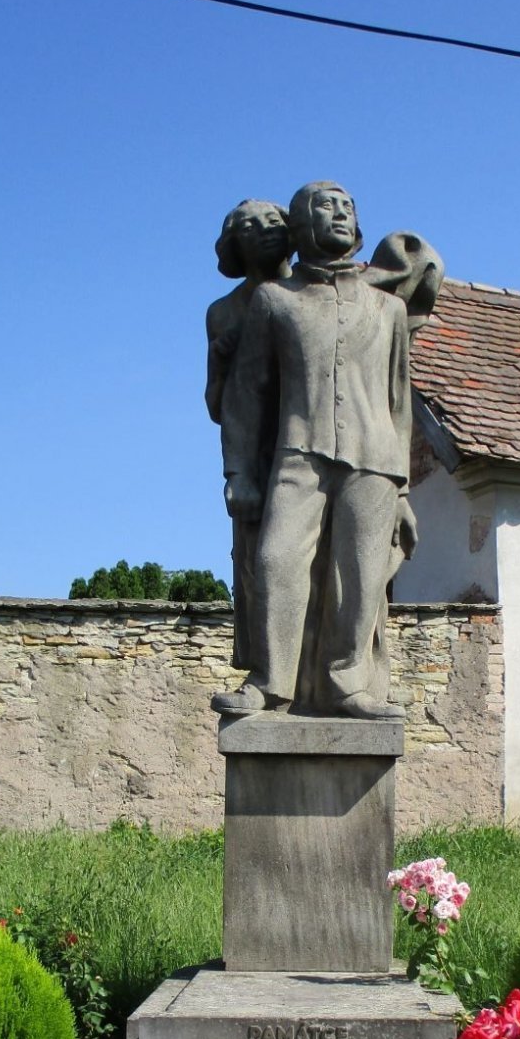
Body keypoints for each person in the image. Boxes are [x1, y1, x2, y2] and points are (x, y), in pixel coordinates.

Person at [212, 182, 424, 720]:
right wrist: (239, 471)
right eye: (326, 206)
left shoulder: (388, 310)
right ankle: (269, 682)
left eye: (348, 207)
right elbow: (245, 396)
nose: (341, 214)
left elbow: (399, 405)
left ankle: (347, 684)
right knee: (276, 559)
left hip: (374, 460)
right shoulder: (274, 301)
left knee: (360, 575)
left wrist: (401, 490)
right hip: (298, 455)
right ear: (301, 226)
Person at [204, 200, 292, 668]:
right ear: (234, 244)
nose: (265, 232)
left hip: (316, 445)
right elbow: (216, 404)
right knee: (260, 565)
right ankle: (265, 667)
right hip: (258, 452)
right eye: (250, 227)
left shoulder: (314, 292)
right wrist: (221, 360)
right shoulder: (224, 312)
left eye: (275, 222)